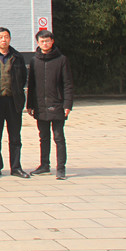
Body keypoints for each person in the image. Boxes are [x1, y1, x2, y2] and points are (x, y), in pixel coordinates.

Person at [0, 27, 31, 179]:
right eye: (1, 37)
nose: (4, 40)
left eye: (6, 37)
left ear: (10, 39)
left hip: (14, 101)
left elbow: (23, 78)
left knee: (15, 137)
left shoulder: (17, 57)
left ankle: (16, 167)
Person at [27, 30, 74, 180]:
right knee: (43, 137)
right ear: (38, 43)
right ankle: (44, 165)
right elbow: (31, 84)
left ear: (52, 41)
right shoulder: (35, 61)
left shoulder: (61, 60)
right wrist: (30, 104)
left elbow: (68, 84)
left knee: (59, 137)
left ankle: (61, 168)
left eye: (47, 41)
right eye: (42, 41)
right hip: (40, 104)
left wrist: (67, 104)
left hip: (57, 104)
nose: (45, 43)